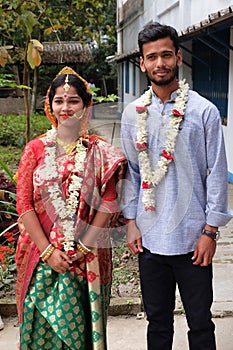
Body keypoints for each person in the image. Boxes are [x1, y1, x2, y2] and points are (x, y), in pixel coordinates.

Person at [120, 22, 233, 350]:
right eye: (151, 57)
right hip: (150, 239)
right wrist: (130, 223)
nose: (160, 63)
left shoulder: (203, 112)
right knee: (157, 321)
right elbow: (130, 172)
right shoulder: (132, 114)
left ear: (179, 58)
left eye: (166, 55)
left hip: (194, 238)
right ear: (142, 63)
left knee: (200, 321)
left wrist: (210, 232)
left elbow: (216, 173)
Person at [15, 66, 127, 349]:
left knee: (79, 335)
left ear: (86, 105)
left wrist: (84, 247)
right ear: (49, 104)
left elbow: (110, 201)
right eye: (59, 101)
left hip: (84, 261)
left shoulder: (98, 151)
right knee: (40, 330)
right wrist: (48, 251)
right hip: (41, 259)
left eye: (73, 100)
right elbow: (24, 203)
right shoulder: (36, 149)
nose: (65, 108)